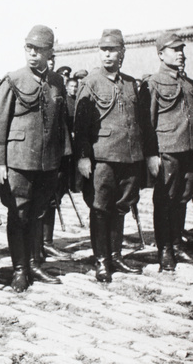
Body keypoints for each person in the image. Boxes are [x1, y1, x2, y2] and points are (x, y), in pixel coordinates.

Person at [0, 25, 70, 293]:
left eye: (39, 50)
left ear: (50, 53)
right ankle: (19, 269)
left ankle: (35, 263)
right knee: (19, 214)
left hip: (47, 161)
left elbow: (61, 124)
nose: (33, 54)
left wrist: (63, 159)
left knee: (39, 212)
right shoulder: (13, 80)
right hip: (19, 161)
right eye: (29, 49)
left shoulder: (57, 82)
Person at [74, 29, 144, 282]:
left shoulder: (130, 83)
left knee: (122, 207)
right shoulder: (90, 83)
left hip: (129, 157)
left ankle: (116, 256)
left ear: (122, 52)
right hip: (102, 158)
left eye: (112, 49)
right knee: (100, 209)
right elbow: (80, 126)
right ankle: (101, 261)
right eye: (103, 49)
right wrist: (82, 157)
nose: (107, 54)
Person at [139, 32, 193, 271]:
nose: (180, 54)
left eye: (181, 50)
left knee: (183, 196)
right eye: (174, 50)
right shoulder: (153, 83)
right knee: (165, 200)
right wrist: (151, 155)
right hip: (168, 151)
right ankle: (164, 249)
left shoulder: (187, 84)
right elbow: (147, 122)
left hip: (190, 150)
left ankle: (177, 244)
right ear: (160, 54)